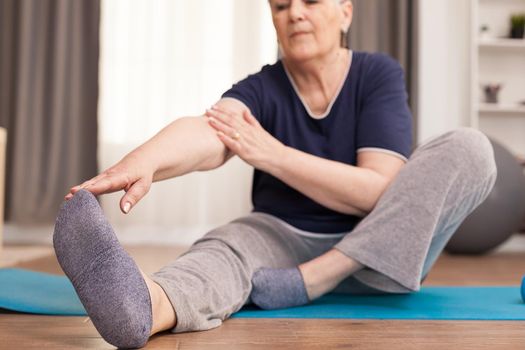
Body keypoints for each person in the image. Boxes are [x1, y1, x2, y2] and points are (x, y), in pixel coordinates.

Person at [54, 0, 497, 348]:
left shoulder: (376, 74)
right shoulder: (261, 87)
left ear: (345, 12)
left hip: (385, 250)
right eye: (281, 6)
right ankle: (144, 307)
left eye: (310, 1)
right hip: (281, 238)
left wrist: (274, 155)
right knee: (225, 248)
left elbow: (373, 193)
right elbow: (211, 132)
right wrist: (143, 161)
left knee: (471, 147)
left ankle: (323, 276)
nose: (295, 13)